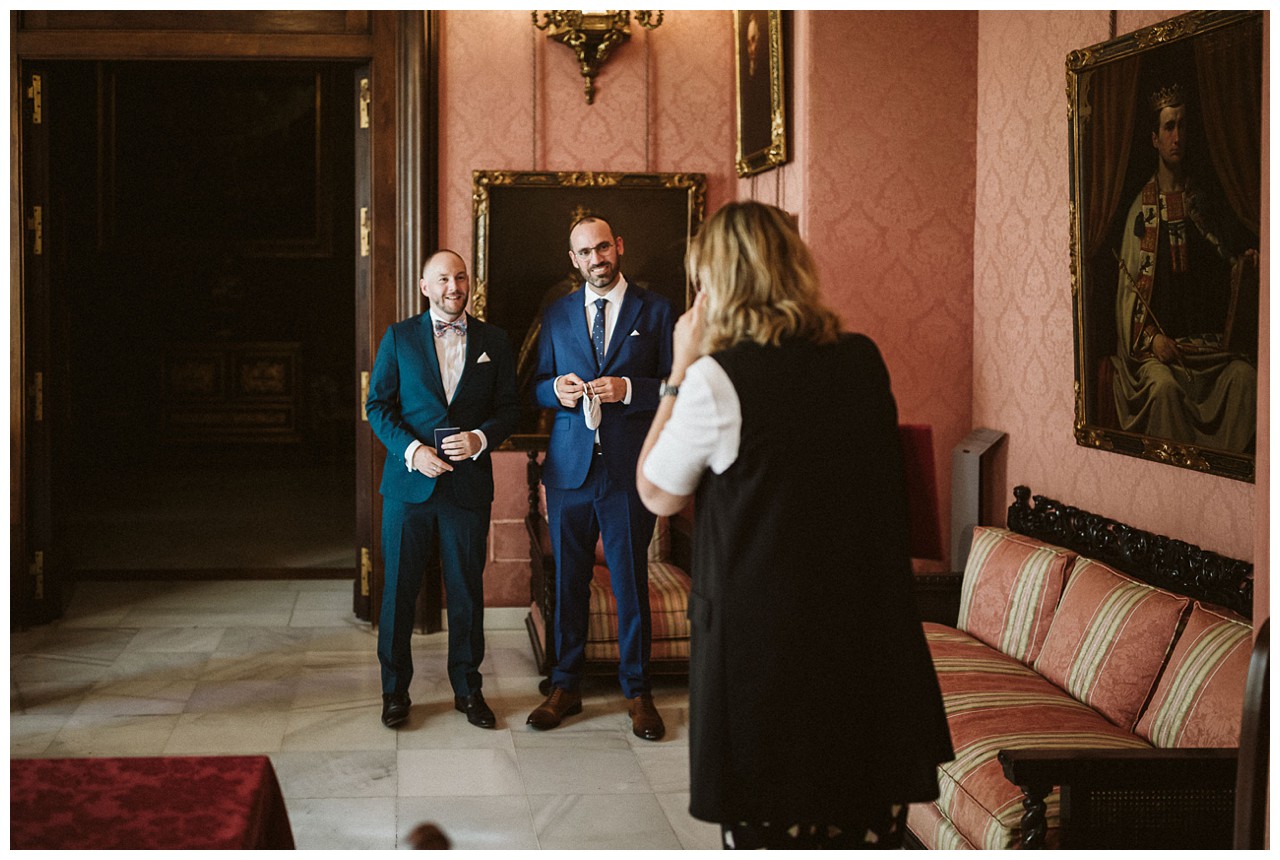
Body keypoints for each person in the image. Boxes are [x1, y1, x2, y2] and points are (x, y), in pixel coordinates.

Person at [636, 201, 953, 849]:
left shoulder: (716, 381)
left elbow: (656, 495)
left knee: (771, 827)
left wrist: (675, 372)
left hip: (765, 651)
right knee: (856, 825)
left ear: (720, 282)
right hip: (863, 637)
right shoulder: (863, 360)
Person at [527, 214, 675, 740]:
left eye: (603, 248)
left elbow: (677, 388)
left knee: (630, 582)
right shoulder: (558, 313)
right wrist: (558, 392)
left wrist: (628, 390)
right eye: (585, 252)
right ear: (574, 260)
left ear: (619, 246)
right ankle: (564, 686)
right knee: (568, 583)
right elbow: (537, 387)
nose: (596, 259)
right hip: (569, 470)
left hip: (627, 472)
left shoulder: (656, 310)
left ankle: (638, 692)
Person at [365, 250, 519, 730]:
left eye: (460, 277)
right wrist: (412, 452)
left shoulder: (495, 339)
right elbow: (378, 406)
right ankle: (395, 693)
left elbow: (510, 408)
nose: (454, 287)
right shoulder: (399, 337)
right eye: (443, 279)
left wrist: (481, 438)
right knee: (397, 594)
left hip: (468, 487)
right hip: (408, 488)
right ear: (424, 285)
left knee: (467, 592)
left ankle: (468, 690)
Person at [1111, 82, 1258, 452]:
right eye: (1168, 127)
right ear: (1154, 139)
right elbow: (1129, 301)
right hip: (1160, 354)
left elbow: (1224, 271)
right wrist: (1152, 340)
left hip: (1205, 353)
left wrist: (1245, 268)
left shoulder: (1203, 202)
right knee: (1164, 390)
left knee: (1244, 378)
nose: (1177, 136)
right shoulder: (1140, 212)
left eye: (1182, 126)